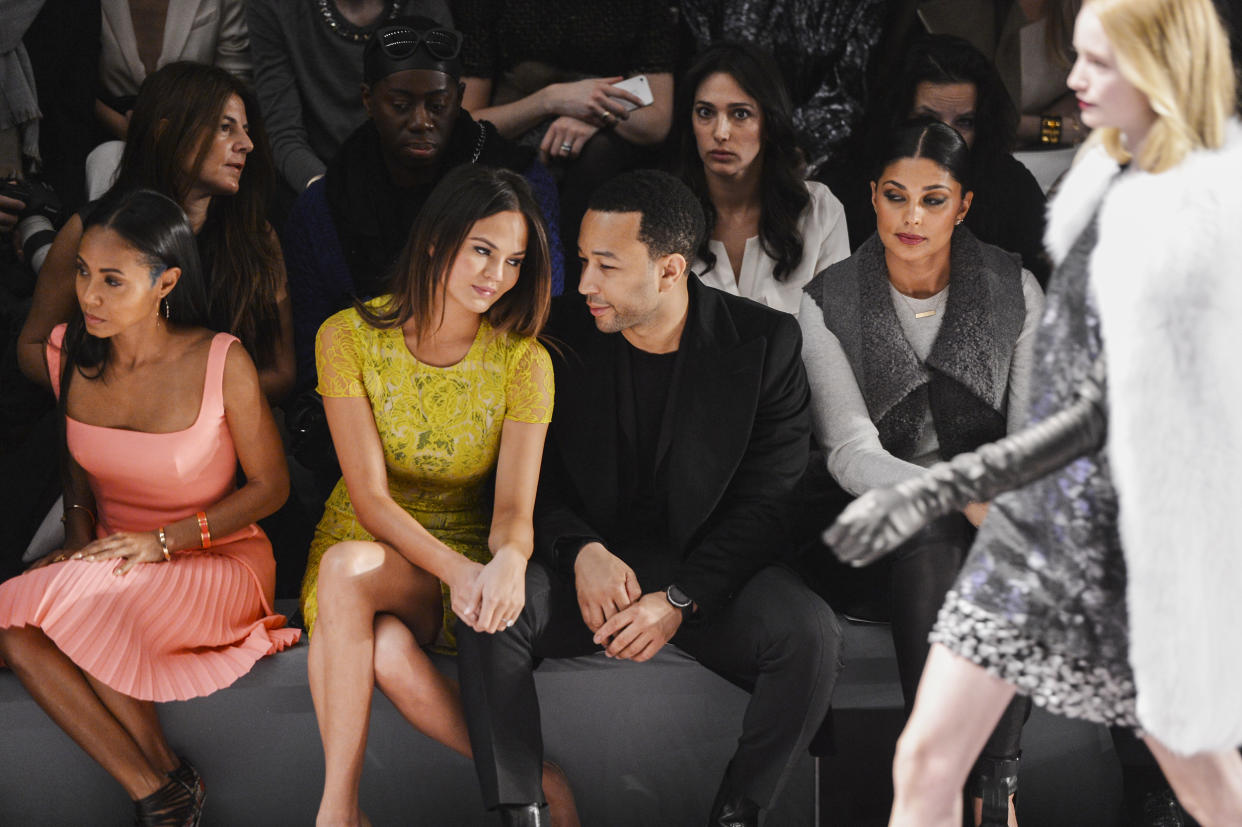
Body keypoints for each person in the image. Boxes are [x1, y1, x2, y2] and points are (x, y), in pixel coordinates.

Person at [826, 1, 1242, 824]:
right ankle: (988, 789)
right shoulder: (851, 215)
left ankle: (1116, 786)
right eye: (926, 120)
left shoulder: (1023, 200)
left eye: (964, 125)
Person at [454, 169, 841, 827]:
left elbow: (771, 506)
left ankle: (738, 811)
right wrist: (579, 551)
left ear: (669, 271)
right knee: (490, 611)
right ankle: (522, 812)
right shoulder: (557, 335)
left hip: (706, 576)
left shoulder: (766, 343)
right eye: (581, 260)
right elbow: (528, 482)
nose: (582, 284)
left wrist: (681, 600)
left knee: (808, 632)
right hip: (589, 570)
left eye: (605, 265)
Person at [0, 188, 299, 826]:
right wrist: (81, 537)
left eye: (112, 279)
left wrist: (161, 542)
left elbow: (271, 488)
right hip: (110, 559)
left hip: (216, 561)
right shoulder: (71, 356)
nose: (89, 296)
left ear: (166, 282)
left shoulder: (221, 359)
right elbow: (78, 470)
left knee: (74, 606)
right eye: (82, 272)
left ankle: (165, 782)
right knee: (13, 631)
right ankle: (159, 786)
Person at [301, 165, 578, 826]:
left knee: (393, 636)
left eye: (513, 260)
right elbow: (368, 499)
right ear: (436, 240)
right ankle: (340, 809)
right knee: (379, 633)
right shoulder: (346, 337)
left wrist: (508, 560)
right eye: (482, 249)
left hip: (461, 557)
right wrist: (460, 573)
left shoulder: (523, 362)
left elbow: (513, 509)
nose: (497, 274)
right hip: (366, 548)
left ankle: (537, 776)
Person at [800, 119, 1043, 824]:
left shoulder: (1016, 287)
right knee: (933, 536)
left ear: (963, 205)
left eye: (933, 199)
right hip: (877, 527)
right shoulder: (825, 301)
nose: (911, 217)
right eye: (895, 196)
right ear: (871, 197)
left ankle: (989, 787)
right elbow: (849, 450)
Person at [283, 16, 564, 395]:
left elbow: (547, 294)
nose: (420, 121)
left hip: (492, 384)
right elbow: (311, 342)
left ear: (460, 98)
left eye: (438, 105)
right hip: (364, 391)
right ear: (368, 100)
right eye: (400, 104)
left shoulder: (518, 175)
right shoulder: (327, 202)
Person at [18, 61, 295, 404]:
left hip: (217, 433)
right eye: (226, 128)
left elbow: (281, 372)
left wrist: (184, 403)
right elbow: (32, 346)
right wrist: (110, 397)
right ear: (165, 133)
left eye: (246, 129)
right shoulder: (87, 229)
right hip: (112, 424)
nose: (247, 144)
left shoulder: (257, 237)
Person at [455, 0, 677, 289]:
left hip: (606, 144)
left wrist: (596, 112)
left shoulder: (642, 8)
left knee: (599, 159)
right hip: (514, 131)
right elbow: (466, 123)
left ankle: (582, 296)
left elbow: (657, 119)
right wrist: (551, 100)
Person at [835, 35, 1051, 286]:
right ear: (897, 118)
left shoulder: (1011, 186)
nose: (947, 136)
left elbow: (1049, 291)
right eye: (929, 120)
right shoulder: (847, 186)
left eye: (964, 123)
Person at [674, 42, 848, 317]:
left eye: (740, 114)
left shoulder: (818, 210)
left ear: (769, 122)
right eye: (705, 112)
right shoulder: (665, 213)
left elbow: (836, 337)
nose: (720, 132)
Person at [246, 0, 452, 197]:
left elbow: (439, 125)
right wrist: (325, 193)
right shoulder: (277, 7)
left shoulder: (426, 7)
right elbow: (284, 134)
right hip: (313, 179)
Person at [678, 0, 886, 176]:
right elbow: (697, 58)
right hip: (704, 151)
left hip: (809, 163)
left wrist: (792, 144)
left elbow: (849, 88)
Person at [95, 0, 252, 142]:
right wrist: (118, 124)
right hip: (106, 129)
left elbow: (234, 80)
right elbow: (74, 76)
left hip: (202, 129)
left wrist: (189, 131)